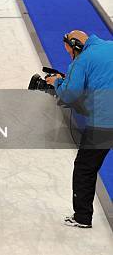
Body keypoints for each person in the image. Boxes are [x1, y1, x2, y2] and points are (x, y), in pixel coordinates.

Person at [45, 31, 113, 228]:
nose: (70, 56)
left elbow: (69, 94)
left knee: (85, 168)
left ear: (75, 46)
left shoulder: (81, 61)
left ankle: (82, 217)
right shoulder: (109, 45)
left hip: (104, 123)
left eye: (70, 52)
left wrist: (56, 82)